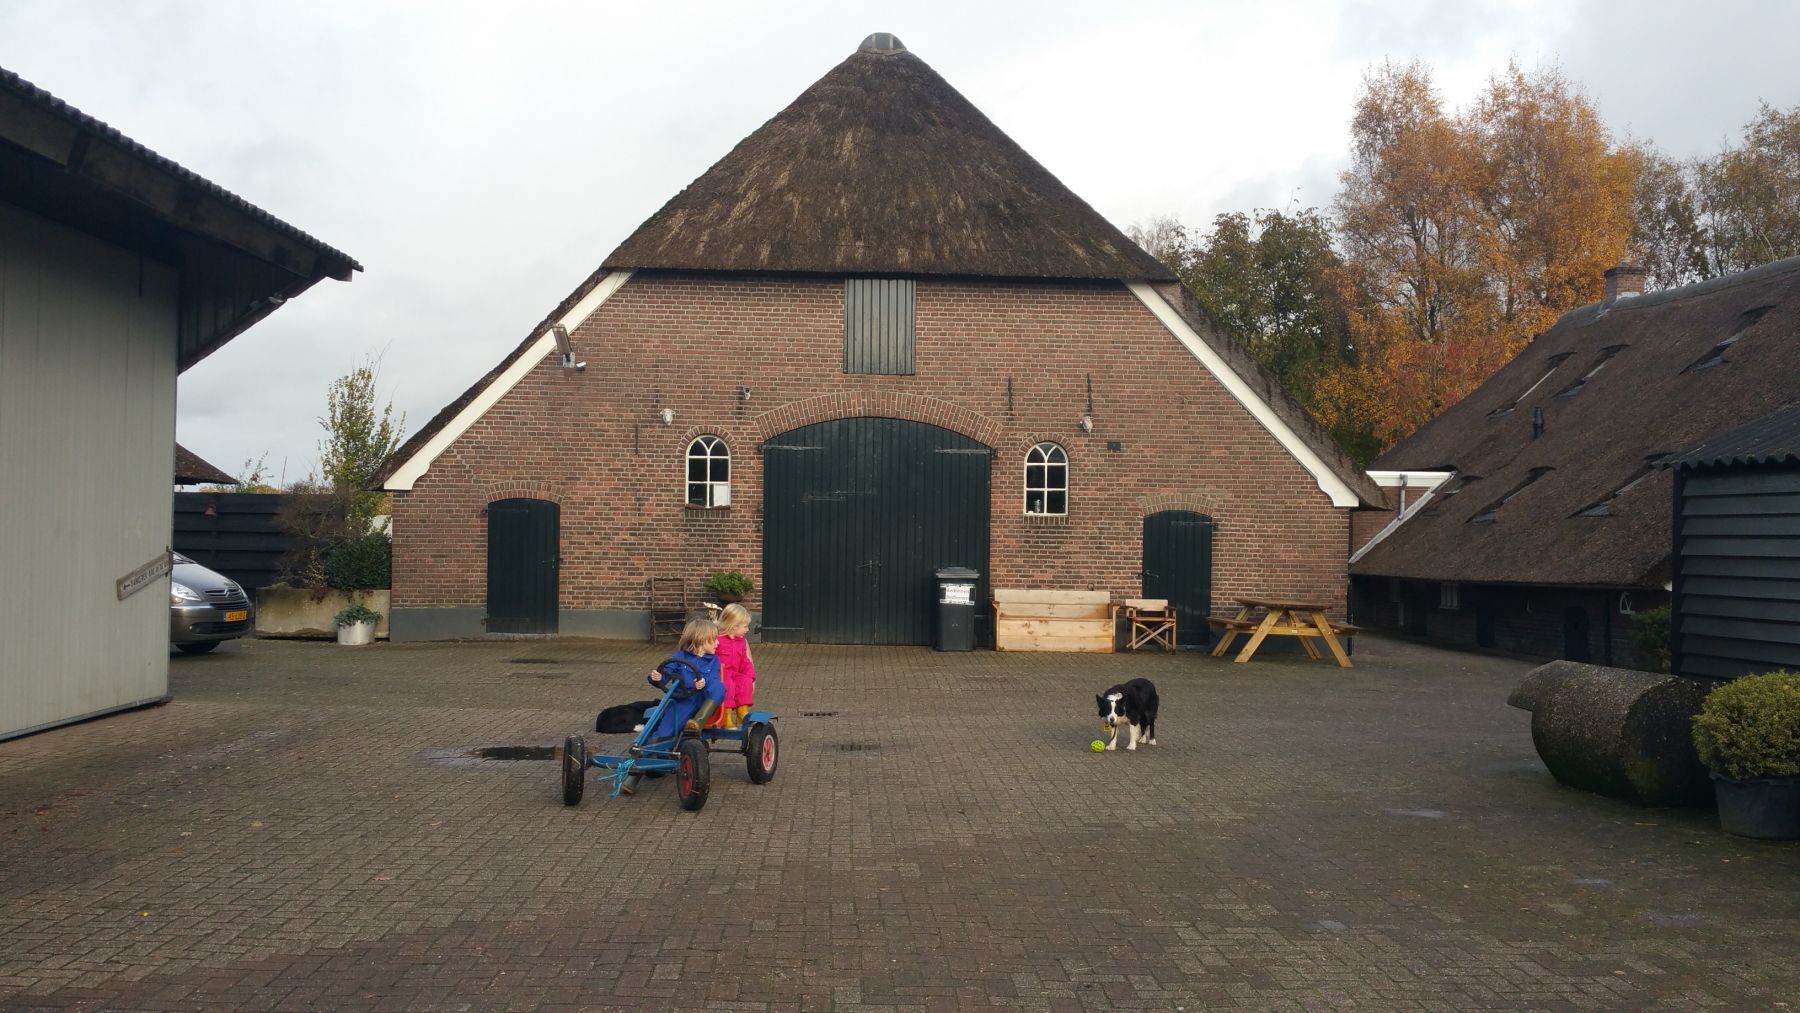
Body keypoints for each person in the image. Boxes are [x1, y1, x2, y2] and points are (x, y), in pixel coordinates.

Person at [622, 617, 725, 795]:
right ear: (700, 640)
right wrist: (656, 678)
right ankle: (634, 774)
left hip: (703, 701)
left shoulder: (712, 661)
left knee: (719, 687)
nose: (717, 642)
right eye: (713, 639)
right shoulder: (679, 657)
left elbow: (714, 679)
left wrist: (703, 682)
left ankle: (697, 722)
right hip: (682, 701)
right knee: (661, 734)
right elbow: (665, 676)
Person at [716, 603, 758, 729]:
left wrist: (751, 677)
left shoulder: (741, 642)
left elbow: (745, 661)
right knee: (727, 684)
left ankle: (742, 714)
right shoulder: (717, 640)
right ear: (734, 626)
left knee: (744, 681)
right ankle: (726, 717)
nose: (747, 629)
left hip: (735, 673)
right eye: (745, 626)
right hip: (720, 674)